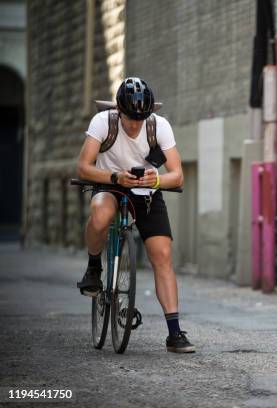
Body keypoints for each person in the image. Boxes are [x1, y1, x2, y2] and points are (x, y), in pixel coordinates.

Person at [76, 77, 195, 353]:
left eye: (140, 118)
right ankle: (95, 266)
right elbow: (83, 167)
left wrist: (154, 181)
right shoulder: (103, 122)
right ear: (119, 109)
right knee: (100, 213)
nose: (134, 124)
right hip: (110, 184)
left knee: (163, 255)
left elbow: (178, 176)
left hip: (147, 193)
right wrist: (116, 177)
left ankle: (175, 333)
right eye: (130, 117)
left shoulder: (158, 125)